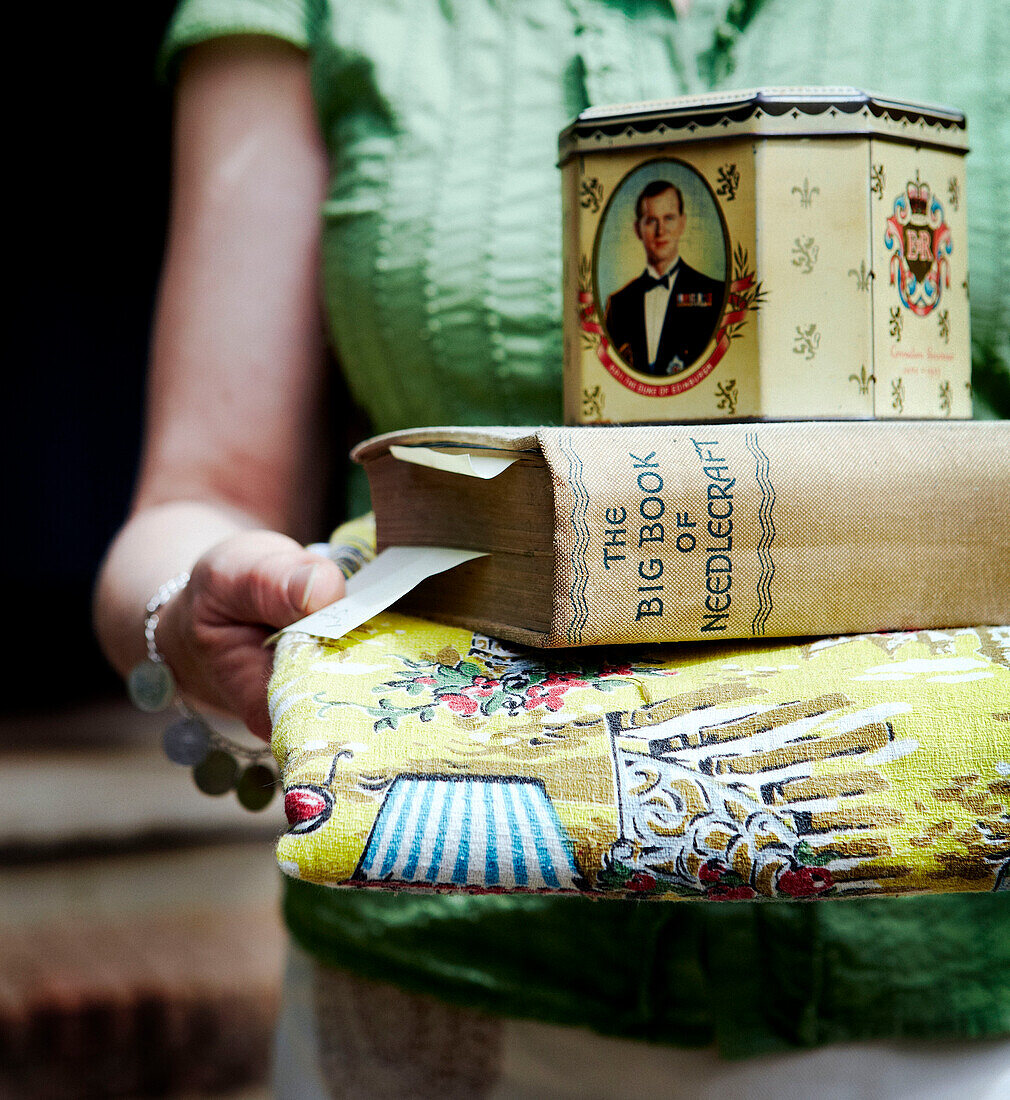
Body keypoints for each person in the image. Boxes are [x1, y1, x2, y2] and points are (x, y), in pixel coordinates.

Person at [94, 0, 1010, 1094]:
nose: (661, 239)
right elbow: (193, 496)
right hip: (442, 983)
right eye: (652, 225)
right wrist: (185, 619)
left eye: (673, 226)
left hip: (954, 999)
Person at [604, 180, 725, 375]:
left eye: (669, 218)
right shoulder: (618, 304)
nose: (661, 231)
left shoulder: (715, 295)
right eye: (651, 220)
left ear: (682, 223)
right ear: (637, 229)